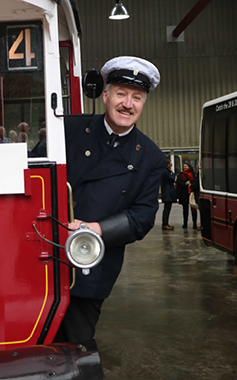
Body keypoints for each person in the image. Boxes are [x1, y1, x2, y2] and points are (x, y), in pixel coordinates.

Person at [56, 56, 165, 344]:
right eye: (121, 94)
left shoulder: (151, 157)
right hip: (45, 256)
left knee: (76, 346)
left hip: (90, 266)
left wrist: (94, 229)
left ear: (143, 104)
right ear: (106, 96)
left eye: (137, 97)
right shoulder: (67, 130)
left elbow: (142, 217)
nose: (128, 104)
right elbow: (31, 168)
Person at [176, 163, 197, 229]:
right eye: (184, 166)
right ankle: (185, 223)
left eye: (186, 166)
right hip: (184, 194)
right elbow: (178, 182)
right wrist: (185, 183)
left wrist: (191, 185)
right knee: (185, 209)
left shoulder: (193, 174)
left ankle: (194, 223)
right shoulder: (181, 175)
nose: (184, 167)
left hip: (191, 193)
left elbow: (195, 181)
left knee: (193, 208)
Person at [161, 158, 176, 230]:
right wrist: (173, 173)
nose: (171, 165)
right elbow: (172, 179)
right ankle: (165, 223)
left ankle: (165, 223)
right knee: (167, 208)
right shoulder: (165, 172)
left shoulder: (164, 171)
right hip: (167, 193)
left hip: (167, 192)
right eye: (170, 164)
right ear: (167, 165)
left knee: (167, 208)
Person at [190, 165, 202, 230]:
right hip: (198, 193)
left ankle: (202, 224)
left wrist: (191, 186)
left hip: (198, 193)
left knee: (201, 209)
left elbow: (195, 183)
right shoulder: (197, 173)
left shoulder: (199, 174)